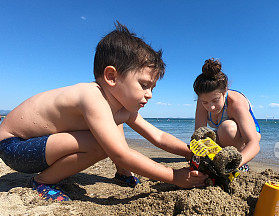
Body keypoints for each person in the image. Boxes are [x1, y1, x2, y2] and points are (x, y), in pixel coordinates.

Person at [0, 22, 207, 201]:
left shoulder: (120, 106)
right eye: (144, 85)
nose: (150, 94)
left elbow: (158, 135)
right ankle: (41, 181)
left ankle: (122, 172)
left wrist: (190, 152)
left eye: (152, 88)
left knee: (112, 126)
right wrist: (173, 176)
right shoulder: (92, 97)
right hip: (15, 147)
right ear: (111, 76)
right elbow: (120, 152)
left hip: (38, 144)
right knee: (104, 144)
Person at [193, 59, 261, 171]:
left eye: (215, 100)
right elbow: (199, 133)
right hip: (223, 135)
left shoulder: (236, 103)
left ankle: (241, 162)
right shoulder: (202, 100)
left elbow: (253, 143)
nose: (211, 107)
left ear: (225, 91)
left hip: (247, 135)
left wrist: (234, 165)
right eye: (205, 102)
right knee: (203, 139)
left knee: (227, 128)